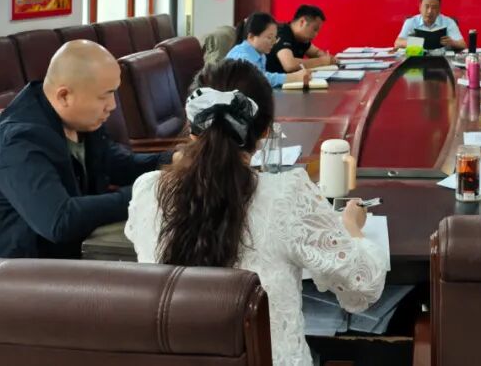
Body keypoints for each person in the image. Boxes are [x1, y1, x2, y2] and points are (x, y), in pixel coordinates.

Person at [126, 59, 387, 366]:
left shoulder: (148, 191)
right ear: (265, 130)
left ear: (192, 125)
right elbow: (363, 285)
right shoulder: (286, 195)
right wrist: (352, 228)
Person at [0, 40, 171, 259]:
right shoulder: (19, 140)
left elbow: (119, 165)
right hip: (1, 270)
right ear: (64, 96)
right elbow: (60, 221)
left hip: (54, 257)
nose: (112, 105)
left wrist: (175, 161)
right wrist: (148, 193)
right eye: (104, 95)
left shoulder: (80, 122)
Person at [227, 12, 311, 88]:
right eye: (269, 37)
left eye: (275, 38)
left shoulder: (261, 54)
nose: (274, 42)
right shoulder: (242, 56)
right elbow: (258, 79)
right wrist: (294, 77)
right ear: (251, 37)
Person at [267, 5, 335, 73]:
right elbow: (290, 65)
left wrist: (328, 58)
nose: (316, 35)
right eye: (315, 29)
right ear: (302, 22)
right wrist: (322, 61)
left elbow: (316, 52)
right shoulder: (282, 32)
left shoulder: (302, 38)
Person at [394, 0, 466, 50]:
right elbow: (397, 43)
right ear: (420, 7)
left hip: (441, 58)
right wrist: (415, 42)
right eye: (426, 6)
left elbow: (463, 45)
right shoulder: (411, 22)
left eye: (434, 7)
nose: (429, 11)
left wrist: (452, 42)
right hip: (418, 58)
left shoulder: (449, 22)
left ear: (439, 10)